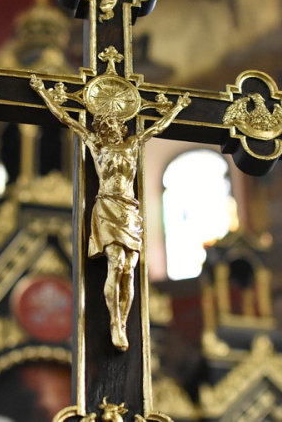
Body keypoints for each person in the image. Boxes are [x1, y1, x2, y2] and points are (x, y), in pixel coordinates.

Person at [31, 74, 190, 350]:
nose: (112, 129)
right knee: (115, 264)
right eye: (107, 126)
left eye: (115, 125)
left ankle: (123, 321)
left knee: (129, 270)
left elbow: (158, 127)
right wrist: (43, 93)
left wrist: (177, 107)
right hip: (107, 206)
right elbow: (67, 120)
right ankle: (114, 321)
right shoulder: (97, 146)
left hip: (129, 210)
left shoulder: (132, 145)